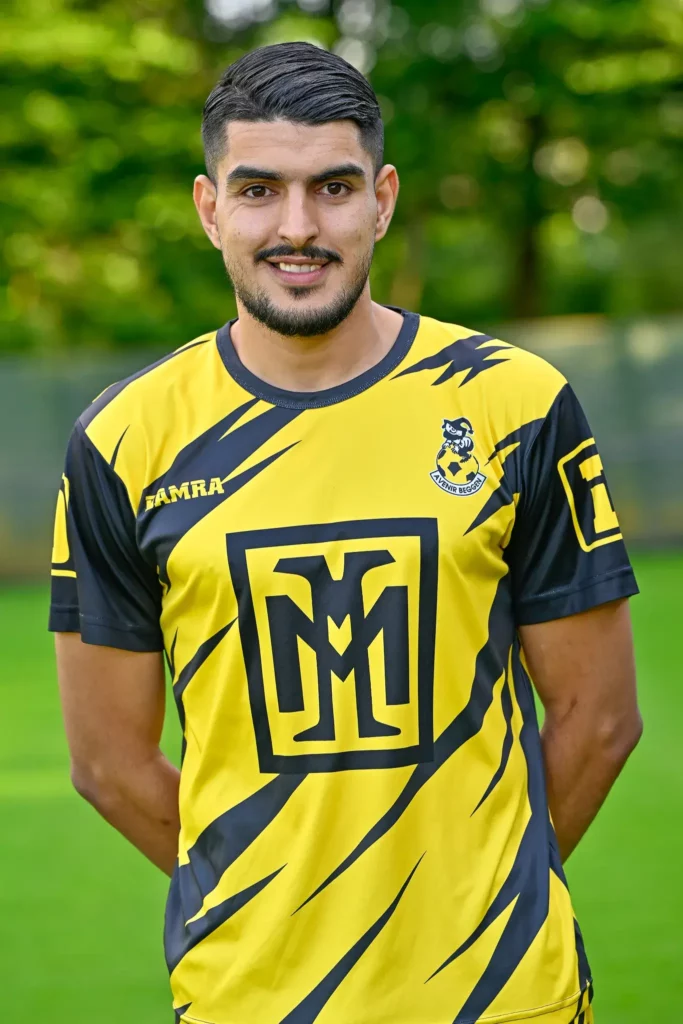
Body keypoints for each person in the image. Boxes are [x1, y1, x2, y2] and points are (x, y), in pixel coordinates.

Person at [50, 41, 642, 1024]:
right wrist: (274, 890)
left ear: (383, 198)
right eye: (257, 190)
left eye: (331, 187)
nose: (297, 226)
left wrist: (477, 892)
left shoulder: (513, 404)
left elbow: (596, 718)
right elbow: (109, 763)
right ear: (209, 209)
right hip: (251, 1001)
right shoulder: (124, 440)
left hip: (502, 998)